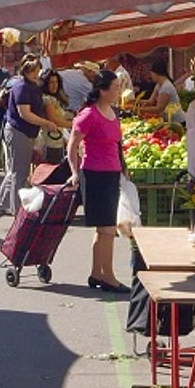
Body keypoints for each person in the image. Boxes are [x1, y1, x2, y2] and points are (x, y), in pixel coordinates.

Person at [66, 70, 129, 293]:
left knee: (103, 228)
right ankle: (109, 276)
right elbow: (72, 145)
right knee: (107, 229)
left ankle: (96, 272)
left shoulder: (112, 111)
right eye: (114, 88)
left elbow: (116, 144)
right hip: (94, 174)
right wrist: (74, 172)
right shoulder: (88, 114)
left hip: (111, 173)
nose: (117, 92)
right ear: (102, 90)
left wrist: (123, 168)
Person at [0, 56, 59, 215]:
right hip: (19, 131)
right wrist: (46, 123)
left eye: (37, 70)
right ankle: (17, 209)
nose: (36, 73)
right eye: (33, 71)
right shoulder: (22, 87)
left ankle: (2, 201)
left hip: (23, 131)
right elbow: (25, 114)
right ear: (26, 71)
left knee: (15, 169)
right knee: (19, 172)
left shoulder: (31, 86)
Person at [39, 69, 73, 164]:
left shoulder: (53, 99)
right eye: (51, 83)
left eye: (56, 82)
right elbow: (53, 119)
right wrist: (72, 124)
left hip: (56, 139)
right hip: (51, 140)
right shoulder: (48, 100)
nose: (55, 85)